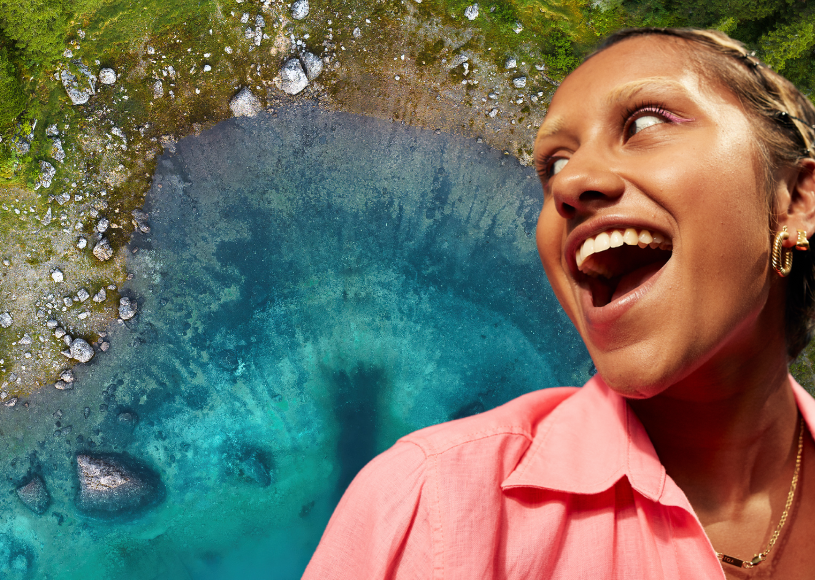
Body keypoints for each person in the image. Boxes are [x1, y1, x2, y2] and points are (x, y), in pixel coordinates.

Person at [301, 28, 815, 579]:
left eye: (644, 124)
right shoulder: (429, 504)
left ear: (796, 201)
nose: (570, 184)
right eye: (552, 167)